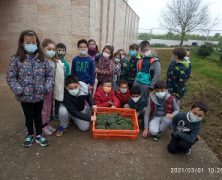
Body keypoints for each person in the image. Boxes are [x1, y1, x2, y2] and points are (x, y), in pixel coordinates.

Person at [6, 30, 54, 147]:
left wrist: (46, 87)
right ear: (22, 43)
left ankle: (39, 135)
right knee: (28, 117)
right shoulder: (16, 59)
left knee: (38, 116)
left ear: (37, 43)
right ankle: (29, 134)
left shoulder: (42, 59)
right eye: (28, 42)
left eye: (33, 42)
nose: (31, 44)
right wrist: (18, 89)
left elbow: (50, 75)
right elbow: (10, 76)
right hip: (24, 96)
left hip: (40, 95)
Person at [41, 39, 64, 136]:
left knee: (49, 108)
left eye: (53, 49)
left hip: (51, 88)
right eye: (49, 49)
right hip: (43, 89)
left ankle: (47, 123)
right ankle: (42, 126)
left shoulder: (54, 61)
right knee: (44, 108)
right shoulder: (41, 61)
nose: (52, 51)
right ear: (43, 48)